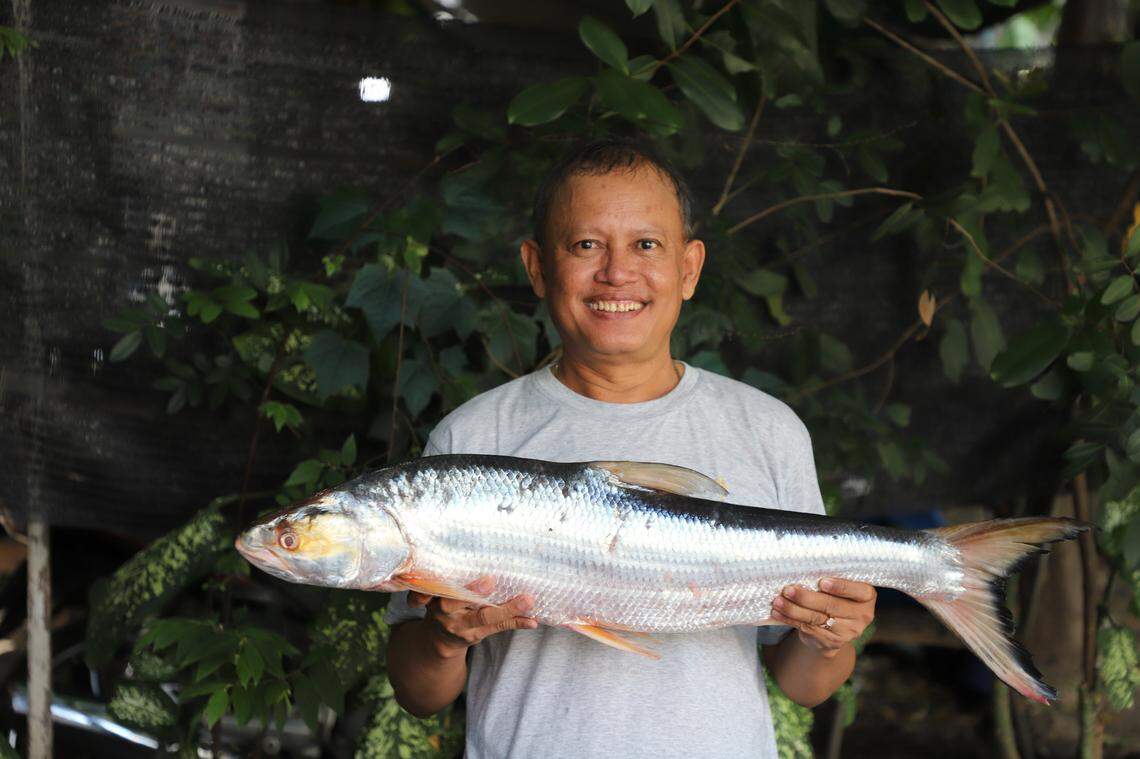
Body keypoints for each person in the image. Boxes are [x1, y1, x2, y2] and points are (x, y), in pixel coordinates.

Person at [385, 138, 876, 758]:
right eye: (586, 245)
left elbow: (804, 684)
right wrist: (444, 639)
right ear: (537, 267)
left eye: (647, 244)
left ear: (689, 268)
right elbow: (417, 691)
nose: (617, 272)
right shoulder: (472, 441)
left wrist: (826, 638)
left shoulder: (768, 431)